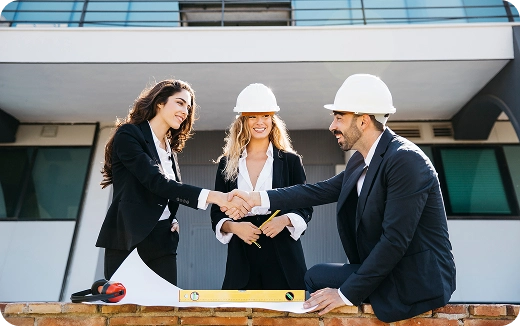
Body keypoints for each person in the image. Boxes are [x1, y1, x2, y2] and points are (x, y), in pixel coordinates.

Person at [228, 74, 456, 323]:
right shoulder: (361, 159)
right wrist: (256, 197)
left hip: (414, 277)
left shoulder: (405, 161)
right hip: (388, 268)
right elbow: (316, 191)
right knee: (316, 277)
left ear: (363, 121)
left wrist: (345, 295)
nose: (332, 126)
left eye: (339, 118)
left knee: (331, 290)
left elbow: (395, 241)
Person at [96, 79, 252, 286]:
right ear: (160, 102)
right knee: (125, 313)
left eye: (188, 107)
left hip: (163, 241)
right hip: (129, 237)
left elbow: (166, 193)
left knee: (165, 311)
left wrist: (170, 217)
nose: (185, 111)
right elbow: (157, 182)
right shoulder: (129, 134)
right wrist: (217, 197)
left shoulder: (169, 148)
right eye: (179, 103)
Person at [211, 83, 313, 290]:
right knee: (239, 316)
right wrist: (235, 228)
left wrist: (283, 220)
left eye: (266, 116)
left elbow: (305, 206)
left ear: (273, 120)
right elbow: (216, 211)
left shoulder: (291, 161)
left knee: (288, 318)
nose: (260, 122)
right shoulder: (227, 162)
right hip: (242, 251)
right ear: (242, 121)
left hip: (282, 251)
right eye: (252, 116)